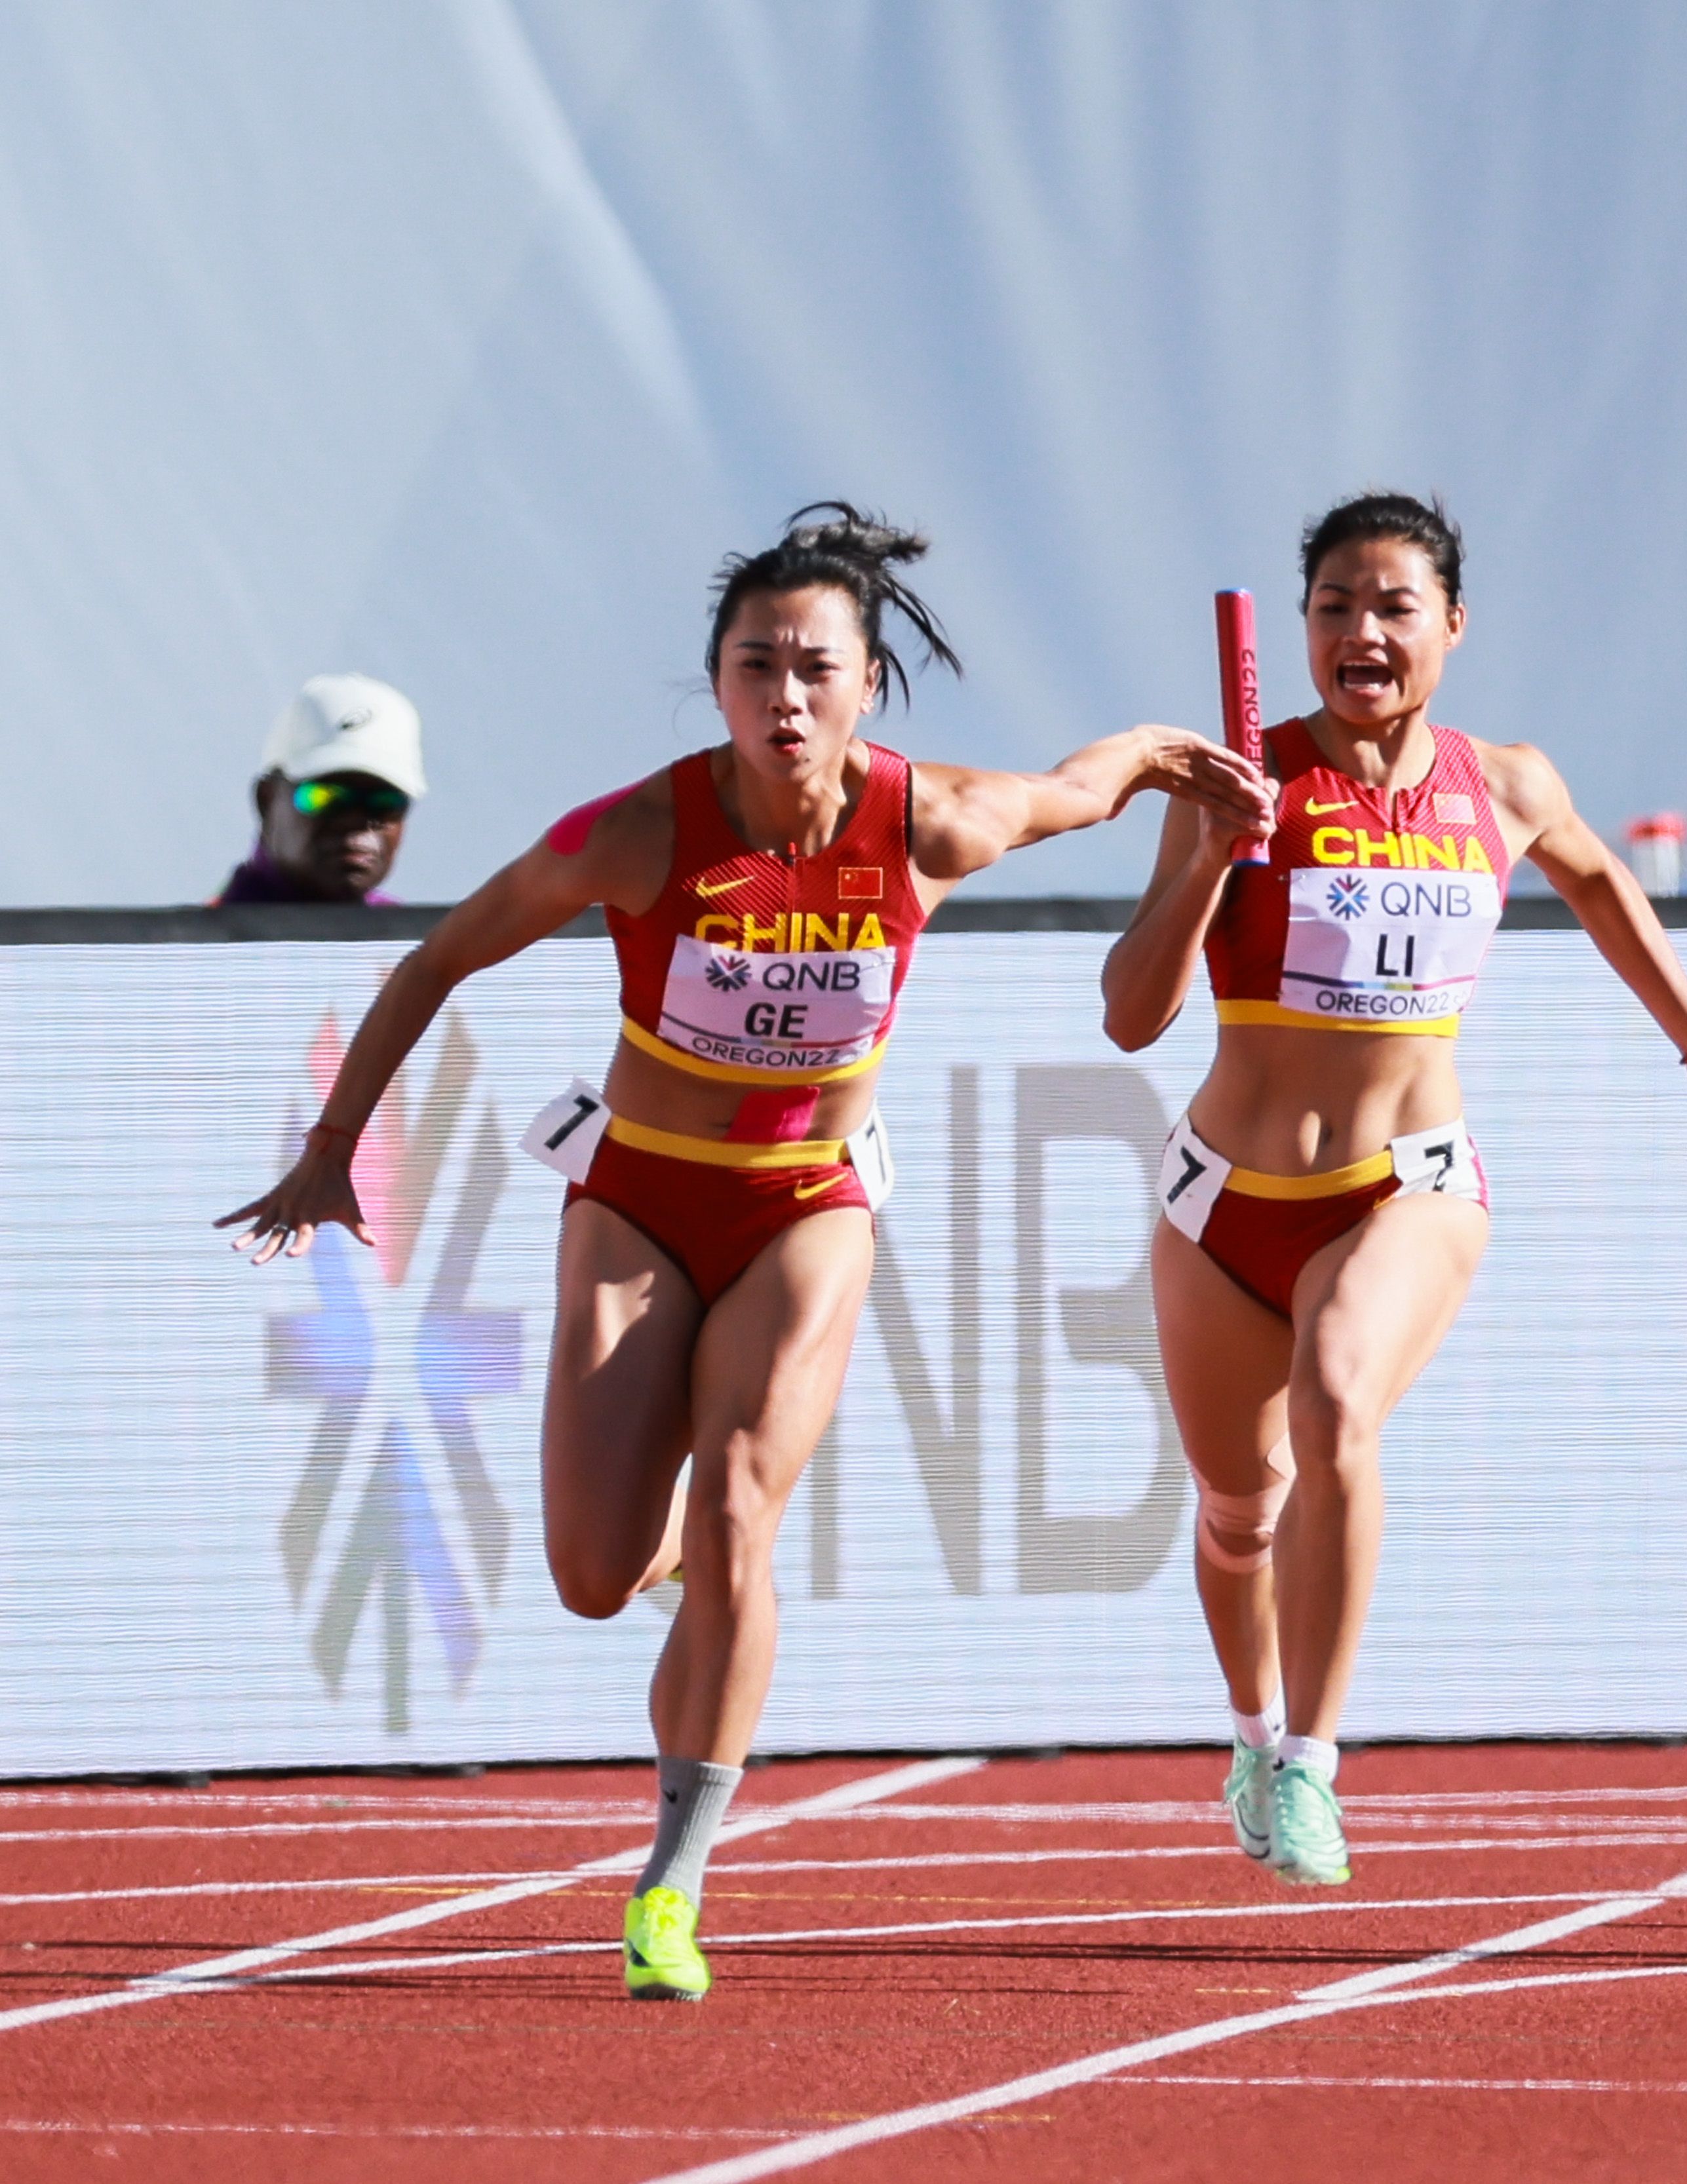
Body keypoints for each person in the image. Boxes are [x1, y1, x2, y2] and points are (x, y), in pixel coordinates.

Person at [219, 505, 1272, 2000]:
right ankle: (671, 1570)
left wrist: (1175, 751)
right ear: (714, 683)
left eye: (814, 668)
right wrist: (329, 1153)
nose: (784, 695)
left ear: (864, 687)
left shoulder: (934, 823)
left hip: (805, 1209)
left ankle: (671, 1884)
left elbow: (1081, 788)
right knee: (594, 1573)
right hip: (642, 1205)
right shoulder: (636, 834)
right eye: (753, 665)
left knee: (738, 1515)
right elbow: (438, 953)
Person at [1101, 492, 1687, 1887]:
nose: (1363, 630)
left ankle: (1312, 1759)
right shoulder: (1235, 779)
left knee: (1338, 1397)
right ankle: (1248, 1731)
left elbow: (1602, 884)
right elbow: (1129, 1014)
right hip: (1222, 1204)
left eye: (1394, 605)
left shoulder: (1508, 783)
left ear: (1451, 627)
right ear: (1301, 630)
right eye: (1335, 607)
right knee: (1239, 1516)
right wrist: (1213, 858)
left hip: (1405, 1186)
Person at [217, 673, 427, 904]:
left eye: (387, 802)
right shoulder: (203, 937)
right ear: (266, 801)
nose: (355, 820)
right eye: (327, 797)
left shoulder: (424, 939)